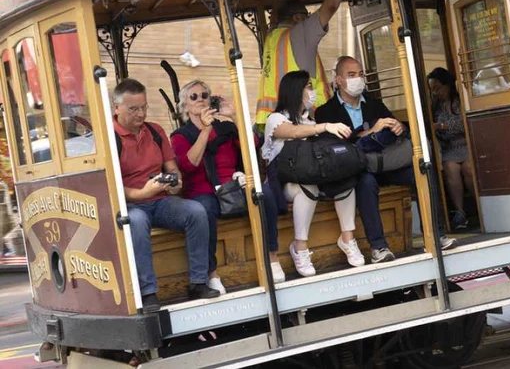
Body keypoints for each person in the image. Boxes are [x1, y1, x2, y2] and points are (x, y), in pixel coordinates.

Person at [315, 56, 457, 253]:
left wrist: (398, 126)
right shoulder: (325, 112)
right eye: (351, 75)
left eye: (361, 74)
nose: (358, 79)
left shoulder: (374, 104)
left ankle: (435, 235)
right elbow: (337, 149)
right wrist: (371, 130)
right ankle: (379, 247)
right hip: (358, 169)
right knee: (365, 183)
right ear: (338, 80)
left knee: (423, 170)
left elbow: (397, 128)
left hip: (386, 163)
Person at [113, 79, 218, 313]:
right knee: (137, 222)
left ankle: (199, 282)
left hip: (160, 200)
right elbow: (111, 186)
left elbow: (172, 168)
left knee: (196, 211)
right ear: (116, 108)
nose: (140, 114)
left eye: (144, 107)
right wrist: (141, 192)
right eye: (133, 109)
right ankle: (148, 292)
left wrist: (174, 182)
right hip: (131, 203)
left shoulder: (155, 131)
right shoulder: (110, 138)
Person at [262, 70, 365, 278]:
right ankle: (300, 247)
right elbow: (292, 132)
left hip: (314, 173)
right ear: (295, 90)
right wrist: (325, 126)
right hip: (284, 183)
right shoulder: (276, 119)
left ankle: (347, 238)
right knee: (307, 188)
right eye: (308, 87)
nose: (313, 91)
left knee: (345, 180)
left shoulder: (310, 119)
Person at [170, 81, 247, 295]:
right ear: (185, 106)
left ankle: (270, 260)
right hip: (202, 191)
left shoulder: (226, 128)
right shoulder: (180, 136)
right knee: (205, 209)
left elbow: (252, 148)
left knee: (264, 196)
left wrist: (234, 116)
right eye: (193, 97)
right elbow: (188, 165)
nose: (201, 99)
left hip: (232, 185)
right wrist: (205, 130)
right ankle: (211, 273)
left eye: (205, 95)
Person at [255, 0, 349, 127]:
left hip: (269, 119)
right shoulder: (299, 34)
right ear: (298, 18)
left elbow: (276, 17)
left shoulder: (271, 37)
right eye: (307, 16)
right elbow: (331, 7)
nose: (309, 20)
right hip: (305, 116)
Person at [427, 68, 474, 230]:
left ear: (448, 85)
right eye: (432, 90)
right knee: (449, 167)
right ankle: (460, 212)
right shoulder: (436, 106)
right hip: (450, 148)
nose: (436, 93)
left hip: (467, 144)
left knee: (468, 168)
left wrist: (441, 126)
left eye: (438, 88)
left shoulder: (460, 100)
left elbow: (463, 124)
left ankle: (478, 206)